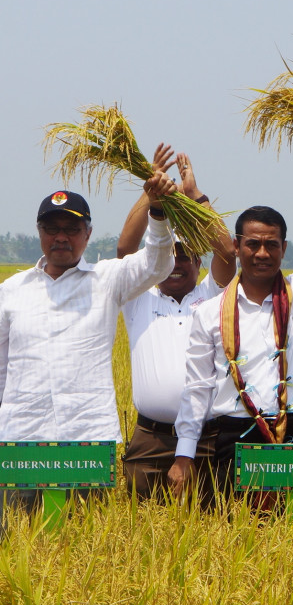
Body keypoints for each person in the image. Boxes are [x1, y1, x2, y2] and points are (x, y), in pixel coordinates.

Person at [169, 142, 293, 508]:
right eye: (252, 244)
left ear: (284, 248)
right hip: (235, 437)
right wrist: (184, 454)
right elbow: (196, 389)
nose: (262, 253)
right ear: (236, 247)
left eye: (271, 244)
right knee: (240, 545)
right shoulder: (208, 312)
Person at [0, 171, 177, 513]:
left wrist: (157, 213)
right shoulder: (10, 292)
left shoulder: (108, 279)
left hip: (87, 440)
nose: (61, 237)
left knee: (85, 549)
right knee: (17, 544)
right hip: (22, 441)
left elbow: (157, 264)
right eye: (52, 229)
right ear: (39, 233)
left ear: (88, 234)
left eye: (72, 229)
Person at [118, 149, 236, 503]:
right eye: (169, 254)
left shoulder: (212, 296)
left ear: (199, 262)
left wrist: (195, 197)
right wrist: (150, 191)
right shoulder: (139, 295)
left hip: (206, 438)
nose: (175, 263)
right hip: (150, 439)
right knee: (138, 535)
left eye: (184, 255)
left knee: (210, 531)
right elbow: (126, 250)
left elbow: (228, 253)